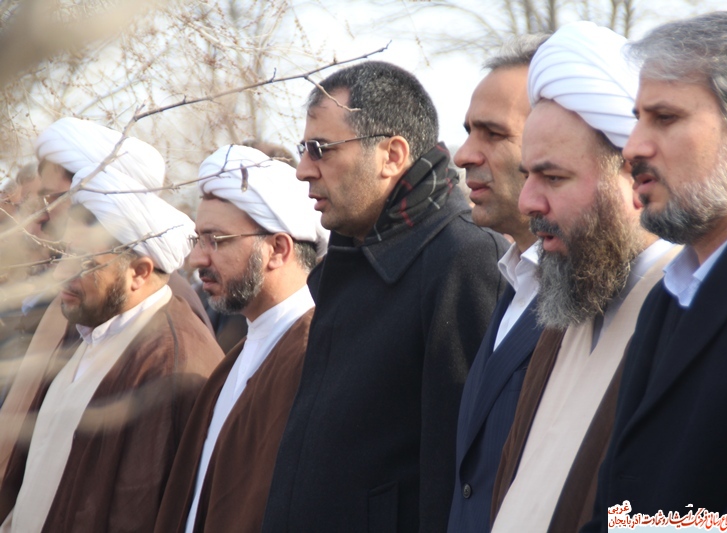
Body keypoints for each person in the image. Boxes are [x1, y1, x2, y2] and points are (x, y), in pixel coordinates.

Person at [261, 60, 508, 532]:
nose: (303, 170)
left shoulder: (465, 260)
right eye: (303, 149)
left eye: (320, 149)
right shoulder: (354, 255)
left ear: (392, 155)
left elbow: (460, 482)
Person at [583, 12, 727, 530]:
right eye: (638, 118)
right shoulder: (670, 292)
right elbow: (620, 498)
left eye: (665, 118)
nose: (633, 147)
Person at [487, 22, 678, 533]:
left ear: (634, 177)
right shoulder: (570, 304)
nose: (528, 202)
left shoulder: (684, 314)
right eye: (527, 175)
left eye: (553, 177)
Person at [0, 166, 223, 532]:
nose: (63, 274)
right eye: (64, 255)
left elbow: (138, 510)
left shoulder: (171, 362)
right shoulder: (91, 324)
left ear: (139, 272)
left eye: (85, 262)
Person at [153, 145, 328, 533]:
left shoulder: (313, 358)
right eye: (199, 240)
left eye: (216, 240)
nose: (197, 260)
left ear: (277, 249)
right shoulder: (238, 357)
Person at [446, 34, 549, 533]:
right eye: (469, 131)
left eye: (493, 133)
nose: (465, 154)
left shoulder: (604, 297)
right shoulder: (514, 279)